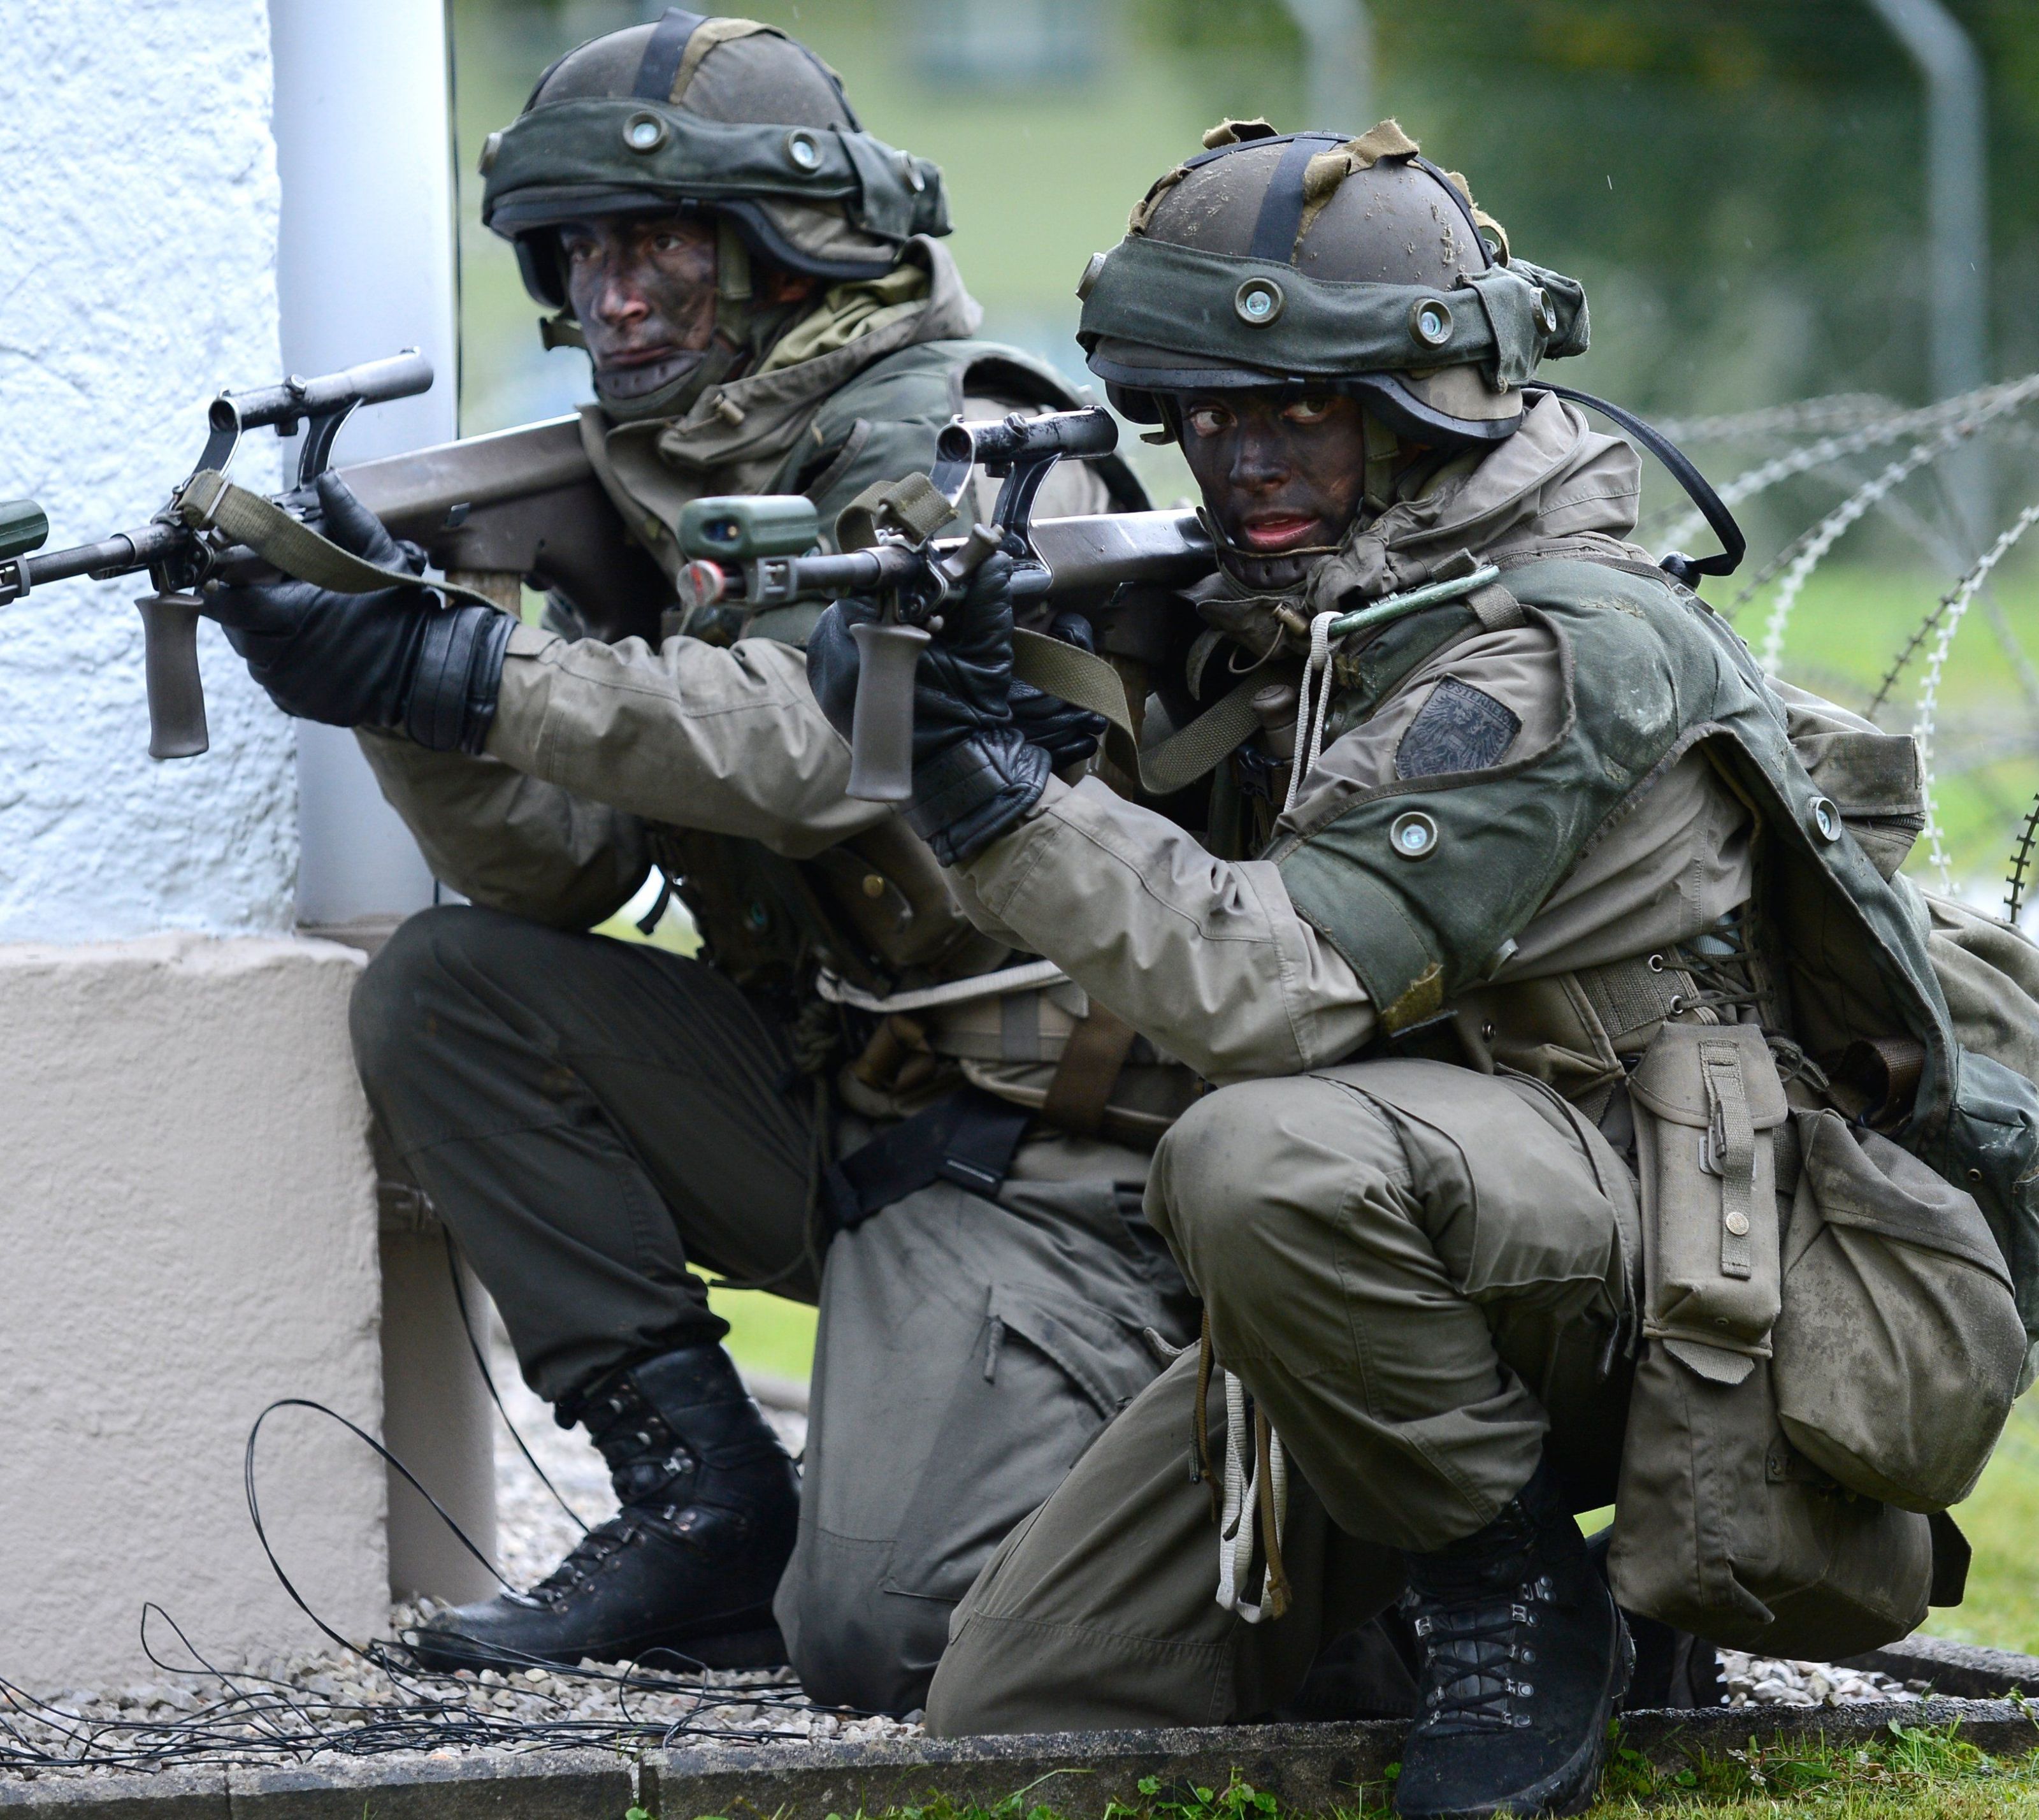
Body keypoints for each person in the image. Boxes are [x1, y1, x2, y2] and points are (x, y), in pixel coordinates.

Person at [809, 119, 2033, 1815]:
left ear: (1429, 401)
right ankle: (1488, 1602)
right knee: (1023, 1699)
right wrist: (1025, 696)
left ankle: (1517, 1604)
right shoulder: (1305, 620)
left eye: (1299, 407)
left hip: (1668, 1233)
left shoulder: (1543, 649)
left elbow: (1276, 987)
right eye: (1209, 414)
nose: (1245, 459)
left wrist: (1000, 795)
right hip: (1419, 1242)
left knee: (1257, 1159)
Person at [203, 11, 1195, 1717]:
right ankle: (701, 1505)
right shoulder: (677, 467)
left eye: (656, 242)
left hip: (1055, 1157)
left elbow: (827, 749)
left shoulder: (958, 440)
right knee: (453, 993)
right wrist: (396, 677)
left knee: (886, 1641)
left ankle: (1388, 1587)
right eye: (577, 250)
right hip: (839, 1107)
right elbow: (558, 885)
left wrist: (460, 666)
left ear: (795, 255)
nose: (611, 295)